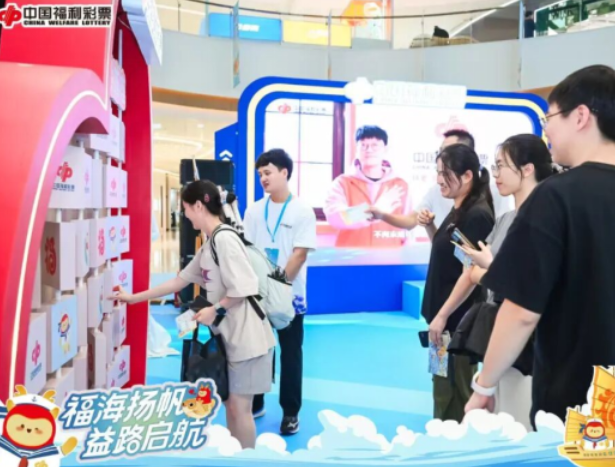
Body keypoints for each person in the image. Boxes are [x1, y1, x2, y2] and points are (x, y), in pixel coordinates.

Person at [464, 65, 615, 428]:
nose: (547, 131)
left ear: (581, 116)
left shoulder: (554, 198)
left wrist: (484, 384)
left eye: (550, 118)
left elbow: (522, 311)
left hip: (576, 412)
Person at [112, 180, 276, 449]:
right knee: (230, 405)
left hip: (249, 339)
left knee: (240, 409)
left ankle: (247, 458)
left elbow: (245, 287)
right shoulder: (210, 243)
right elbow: (179, 281)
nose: (185, 215)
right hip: (230, 338)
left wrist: (215, 309)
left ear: (199, 205)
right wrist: (133, 298)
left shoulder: (224, 239)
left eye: (186, 208)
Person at [428, 134, 556, 430]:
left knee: (515, 416)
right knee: (492, 408)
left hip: (523, 338)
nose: (495, 174)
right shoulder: (501, 219)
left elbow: (522, 284)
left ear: (527, 169)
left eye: (501, 166)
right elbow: (470, 271)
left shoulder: (536, 221)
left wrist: (487, 270)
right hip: (491, 330)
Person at [243, 149, 317, 435]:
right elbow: (247, 250)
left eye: (268, 172)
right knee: (258, 350)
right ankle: (257, 401)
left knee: (290, 354)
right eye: (260, 174)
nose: (263, 178)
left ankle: (290, 412)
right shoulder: (254, 210)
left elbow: (299, 255)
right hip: (257, 293)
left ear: (284, 172)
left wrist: (277, 285)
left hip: (290, 295)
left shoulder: (302, 211)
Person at [421, 143, 495, 421]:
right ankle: (442, 436)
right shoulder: (459, 209)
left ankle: (458, 442)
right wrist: (430, 227)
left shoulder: (477, 215)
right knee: (441, 386)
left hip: (456, 322)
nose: (439, 179)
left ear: (467, 176)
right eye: (438, 172)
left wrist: (442, 316)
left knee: (458, 391)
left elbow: (470, 274)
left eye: (445, 173)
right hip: (443, 323)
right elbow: (449, 254)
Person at [369, 129, 475, 238]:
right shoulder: (437, 190)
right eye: (441, 151)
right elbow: (411, 221)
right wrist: (381, 215)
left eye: (448, 150)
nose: (442, 155)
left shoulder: (483, 196)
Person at [324, 125, 411, 247]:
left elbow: (408, 227)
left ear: (385, 149)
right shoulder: (342, 183)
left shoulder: (400, 185)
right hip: (350, 256)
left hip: (389, 256)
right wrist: (376, 210)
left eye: (375, 145)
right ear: (356, 149)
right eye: (363, 145)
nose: (369, 150)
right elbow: (335, 217)